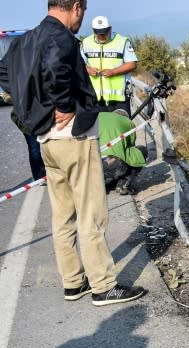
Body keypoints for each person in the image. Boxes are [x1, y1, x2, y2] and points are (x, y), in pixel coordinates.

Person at [0, 0, 146, 307]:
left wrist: (32, 109)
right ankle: (103, 286)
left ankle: (73, 283)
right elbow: (56, 70)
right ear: (76, 7)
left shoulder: (25, 39)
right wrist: (63, 106)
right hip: (73, 137)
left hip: (46, 140)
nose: (82, 19)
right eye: (84, 13)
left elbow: (5, 72)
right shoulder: (62, 37)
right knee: (91, 211)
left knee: (63, 214)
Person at [81, 15, 137, 114]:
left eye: (104, 33)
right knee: (99, 129)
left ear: (110, 29)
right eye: (99, 34)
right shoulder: (86, 43)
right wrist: (88, 70)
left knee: (121, 129)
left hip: (119, 99)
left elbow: (132, 64)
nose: (102, 36)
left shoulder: (122, 41)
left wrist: (113, 71)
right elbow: (79, 64)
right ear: (93, 31)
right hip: (95, 98)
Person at [99, 109, 147, 194]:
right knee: (140, 151)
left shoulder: (99, 116)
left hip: (92, 165)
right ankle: (123, 184)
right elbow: (130, 146)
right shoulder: (128, 122)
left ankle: (101, 183)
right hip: (113, 164)